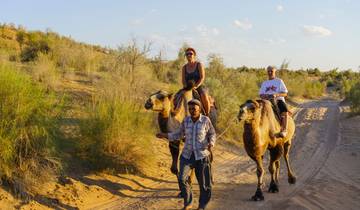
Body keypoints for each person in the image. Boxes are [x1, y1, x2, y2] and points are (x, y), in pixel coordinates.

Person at [156, 99, 216, 210]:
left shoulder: (205, 120)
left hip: (202, 155)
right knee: (182, 179)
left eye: (194, 109)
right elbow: (178, 134)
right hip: (187, 155)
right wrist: (165, 135)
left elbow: (212, 133)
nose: (192, 111)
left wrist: (211, 143)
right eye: (190, 109)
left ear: (199, 109)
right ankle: (188, 203)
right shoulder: (186, 120)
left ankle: (202, 205)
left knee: (204, 184)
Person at [259, 66, 289, 137]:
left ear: (275, 72)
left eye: (271, 71)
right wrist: (265, 96)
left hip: (278, 100)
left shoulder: (279, 81)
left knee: (284, 110)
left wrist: (276, 95)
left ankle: (284, 129)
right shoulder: (264, 83)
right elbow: (261, 94)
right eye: (268, 71)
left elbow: (285, 93)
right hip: (266, 101)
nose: (270, 72)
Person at [182, 48, 211, 116]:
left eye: (191, 53)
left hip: (199, 86)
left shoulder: (199, 64)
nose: (189, 55)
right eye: (187, 54)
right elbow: (183, 80)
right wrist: (185, 87)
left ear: (194, 55)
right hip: (188, 87)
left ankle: (207, 114)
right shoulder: (184, 67)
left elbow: (202, 77)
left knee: (203, 95)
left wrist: (196, 86)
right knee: (177, 97)